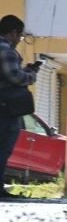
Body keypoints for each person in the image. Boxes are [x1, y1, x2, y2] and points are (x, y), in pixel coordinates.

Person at [0, 15, 39, 198]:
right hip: (5, 108)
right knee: (4, 147)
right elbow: (15, 77)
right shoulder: (5, 50)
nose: (19, 40)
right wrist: (30, 75)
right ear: (13, 32)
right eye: (20, 36)